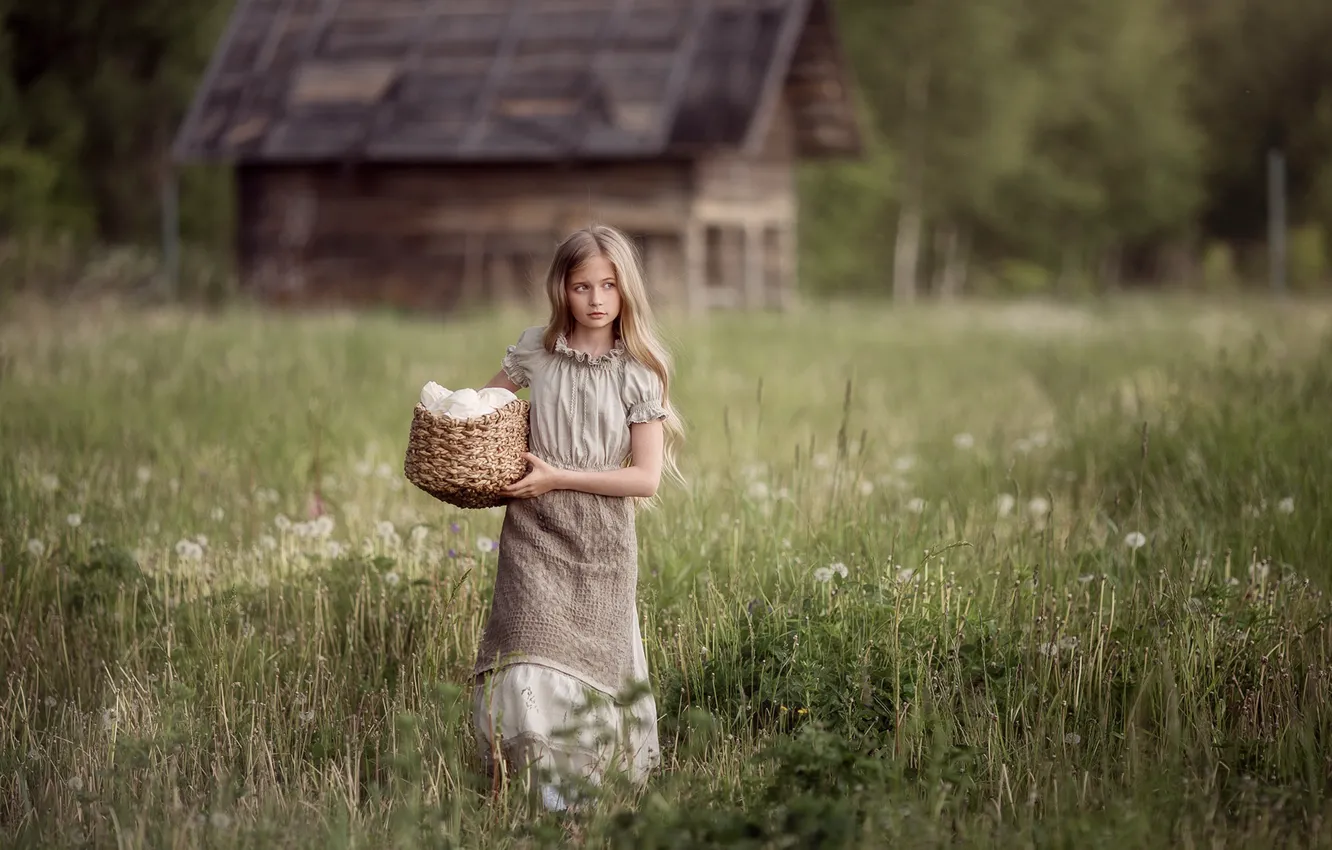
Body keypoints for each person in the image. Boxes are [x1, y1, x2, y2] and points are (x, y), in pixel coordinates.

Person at [471, 224, 684, 813]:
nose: (595, 299)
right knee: (528, 655)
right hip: (533, 530)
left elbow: (644, 479)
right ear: (561, 289)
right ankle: (537, 790)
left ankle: (580, 799)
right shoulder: (535, 352)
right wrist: (454, 427)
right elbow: (482, 415)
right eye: (581, 286)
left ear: (626, 290)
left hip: (602, 541)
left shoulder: (639, 371)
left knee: (589, 669)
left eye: (608, 285)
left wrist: (558, 476)